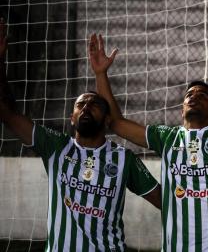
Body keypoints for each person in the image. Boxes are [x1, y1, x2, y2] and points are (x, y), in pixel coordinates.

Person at [88, 22, 208, 249]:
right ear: (181, 110)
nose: (194, 96)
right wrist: (101, 73)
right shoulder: (167, 137)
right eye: (190, 94)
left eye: (203, 95)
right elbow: (117, 124)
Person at [0, 19, 161, 252]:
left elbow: (165, 202)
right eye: (80, 104)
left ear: (108, 121)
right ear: (72, 118)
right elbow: (7, 114)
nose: (86, 107)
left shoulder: (124, 159)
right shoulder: (56, 146)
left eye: (94, 104)